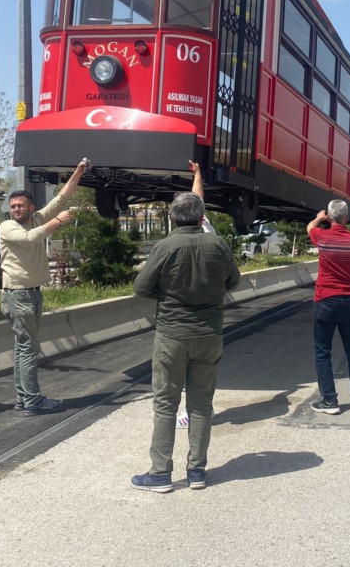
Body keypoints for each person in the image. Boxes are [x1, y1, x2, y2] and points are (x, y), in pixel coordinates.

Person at [131, 191, 240, 493]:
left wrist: (167, 295)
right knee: (202, 404)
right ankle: (197, 472)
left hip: (173, 334)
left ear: (173, 216)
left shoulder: (166, 246)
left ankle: (161, 474)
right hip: (210, 334)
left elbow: (141, 287)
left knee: (166, 403)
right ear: (201, 216)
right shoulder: (218, 244)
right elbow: (233, 281)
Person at [0, 159, 87, 416]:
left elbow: (61, 198)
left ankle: (23, 398)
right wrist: (56, 222)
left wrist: (78, 172)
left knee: (22, 347)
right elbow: (29, 239)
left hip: (31, 293)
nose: (15, 209)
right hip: (18, 295)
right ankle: (33, 401)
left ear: (31, 207)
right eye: (13, 206)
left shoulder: (35, 219)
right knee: (28, 348)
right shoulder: (8, 227)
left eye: (20, 205)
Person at [306, 200, 350, 416]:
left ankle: (330, 401)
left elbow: (310, 228)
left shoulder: (321, 237)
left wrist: (319, 218)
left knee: (323, 352)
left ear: (330, 217)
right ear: (347, 218)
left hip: (326, 300)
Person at [176, 160, 215, 430]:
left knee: (181, 368)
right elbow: (197, 200)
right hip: (209, 318)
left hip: (181, 317)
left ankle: (188, 412)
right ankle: (199, 410)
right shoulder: (211, 236)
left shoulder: (175, 240)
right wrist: (198, 174)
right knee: (203, 370)